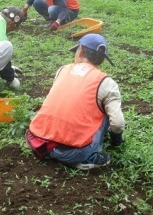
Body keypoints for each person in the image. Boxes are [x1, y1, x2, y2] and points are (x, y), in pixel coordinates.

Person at [25, 34, 125, 170]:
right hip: (72, 153)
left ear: (81, 51)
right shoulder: (106, 83)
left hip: (36, 140)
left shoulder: (62, 70)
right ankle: (88, 157)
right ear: (102, 60)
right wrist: (116, 141)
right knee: (106, 111)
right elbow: (118, 124)